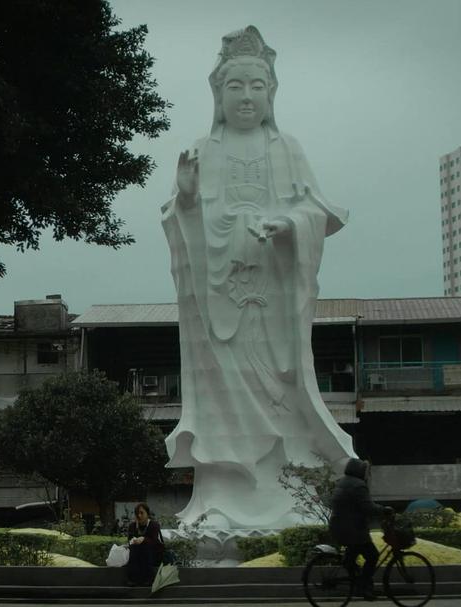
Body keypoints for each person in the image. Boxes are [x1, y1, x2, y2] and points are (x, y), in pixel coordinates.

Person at [162, 25, 356, 529]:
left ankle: (289, 501)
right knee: (223, 398)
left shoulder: (286, 148)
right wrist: (185, 199)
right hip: (218, 303)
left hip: (272, 300)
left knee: (280, 394)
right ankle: (223, 500)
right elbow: (180, 223)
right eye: (235, 86)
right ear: (218, 95)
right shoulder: (204, 149)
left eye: (256, 86)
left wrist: (289, 223)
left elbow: (317, 212)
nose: (246, 96)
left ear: (271, 93)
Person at [328, 459, 393, 601]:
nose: (366, 474)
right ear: (360, 471)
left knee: (351, 558)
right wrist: (385, 510)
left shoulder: (342, 482)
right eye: (365, 471)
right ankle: (363, 586)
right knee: (373, 556)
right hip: (354, 530)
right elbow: (368, 507)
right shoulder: (358, 485)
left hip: (338, 527)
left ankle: (360, 585)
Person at [124, 503, 164, 586]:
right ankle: (133, 579)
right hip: (137, 553)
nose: (139, 515)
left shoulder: (154, 525)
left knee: (146, 548)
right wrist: (134, 540)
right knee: (134, 548)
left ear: (147, 514)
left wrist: (144, 539)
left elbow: (155, 541)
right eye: (137, 513)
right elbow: (130, 540)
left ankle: (148, 579)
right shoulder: (132, 526)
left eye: (142, 513)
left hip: (154, 553)